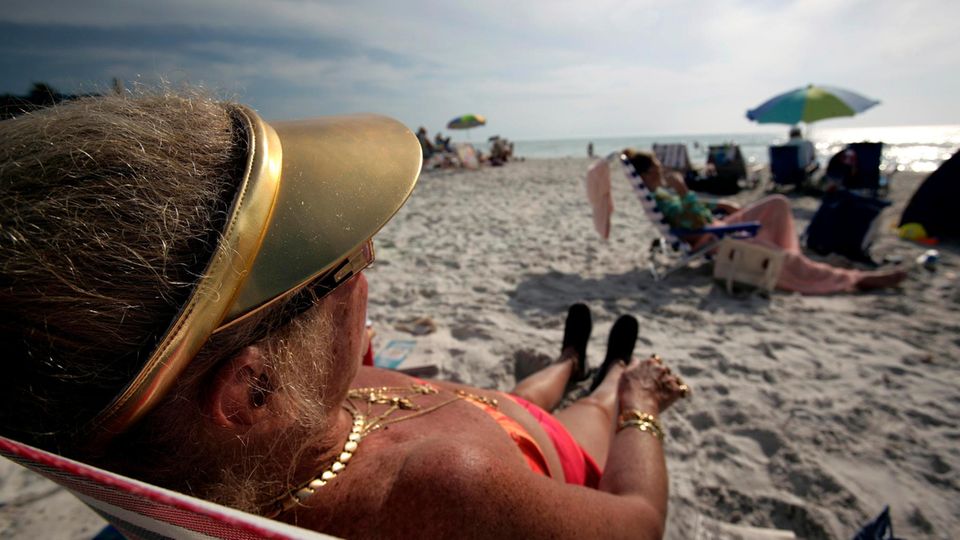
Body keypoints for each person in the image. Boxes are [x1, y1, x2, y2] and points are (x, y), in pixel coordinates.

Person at [1, 93, 688, 539]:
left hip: (481, 414)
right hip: (529, 457)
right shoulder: (447, 485)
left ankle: (566, 363)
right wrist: (643, 408)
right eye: (342, 259)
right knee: (585, 413)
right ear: (249, 389)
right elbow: (636, 522)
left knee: (515, 396)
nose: (369, 252)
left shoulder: (242, 442)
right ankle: (607, 377)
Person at [624, 149, 907, 294]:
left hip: (715, 225)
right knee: (781, 256)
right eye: (657, 168)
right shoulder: (661, 197)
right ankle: (856, 280)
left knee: (777, 203)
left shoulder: (659, 192)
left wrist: (717, 204)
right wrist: (684, 191)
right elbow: (691, 222)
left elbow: (698, 211)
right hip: (710, 237)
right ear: (647, 173)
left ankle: (789, 253)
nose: (661, 171)